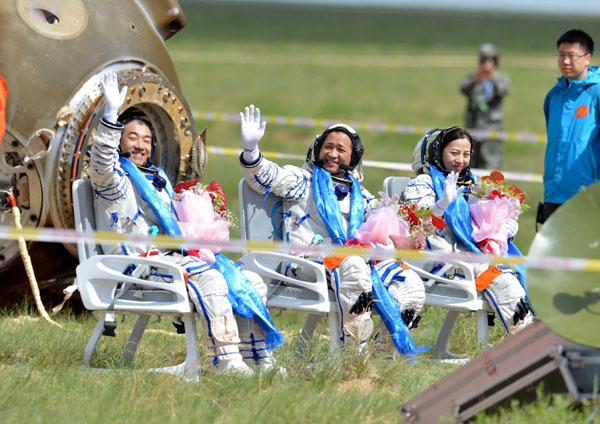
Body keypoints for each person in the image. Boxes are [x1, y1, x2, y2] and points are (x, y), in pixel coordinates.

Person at [90, 72, 282, 375]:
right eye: (132, 137)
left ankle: (257, 357)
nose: (140, 145)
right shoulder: (115, 181)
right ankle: (226, 359)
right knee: (212, 278)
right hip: (136, 265)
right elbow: (101, 163)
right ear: (120, 141)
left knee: (249, 279)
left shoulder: (159, 181)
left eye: (146, 140)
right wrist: (111, 115)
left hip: (170, 259)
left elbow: (177, 225)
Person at [238, 104, 426, 355]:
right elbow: (265, 178)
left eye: (341, 149)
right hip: (307, 263)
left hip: (353, 262)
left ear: (353, 157)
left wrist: (416, 228)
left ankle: (384, 355)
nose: (333, 154)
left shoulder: (362, 195)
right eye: (328, 147)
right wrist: (251, 151)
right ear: (317, 149)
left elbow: (388, 226)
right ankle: (354, 357)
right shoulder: (301, 181)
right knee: (353, 265)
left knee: (410, 285)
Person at [404, 126, 533, 334]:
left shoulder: (474, 186)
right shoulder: (423, 184)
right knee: (504, 281)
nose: (460, 160)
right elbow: (415, 225)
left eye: (466, 154)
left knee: (526, 275)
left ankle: (533, 338)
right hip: (440, 260)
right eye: (454, 153)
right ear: (437, 152)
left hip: (472, 256)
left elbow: (484, 226)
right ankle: (525, 340)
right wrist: (440, 206)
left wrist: (503, 226)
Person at [539, 29, 600, 225]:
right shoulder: (553, 96)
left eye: (572, 56)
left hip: (586, 193)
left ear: (587, 58)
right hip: (554, 192)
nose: (565, 61)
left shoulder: (596, 93)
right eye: (561, 55)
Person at [460, 43, 511, 170]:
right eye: (483, 60)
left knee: (490, 165)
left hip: (491, 129)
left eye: (490, 60)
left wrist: (491, 77)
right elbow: (463, 89)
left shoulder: (501, 78)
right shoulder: (473, 78)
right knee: (470, 165)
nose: (486, 63)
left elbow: (503, 90)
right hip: (473, 126)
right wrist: (476, 79)